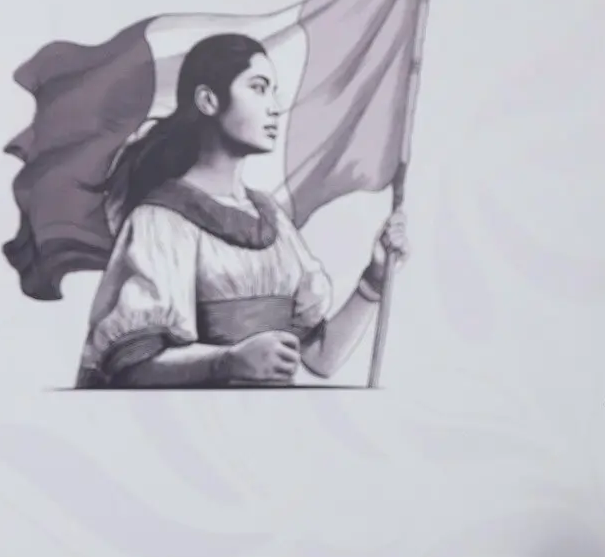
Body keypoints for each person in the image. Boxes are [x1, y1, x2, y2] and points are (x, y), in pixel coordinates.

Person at [73, 32, 408, 389]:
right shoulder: (161, 220)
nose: (275, 106)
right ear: (208, 100)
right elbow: (131, 370)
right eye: (259, 88)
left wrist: (374, 279)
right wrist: (227, 361)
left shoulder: (272, 219)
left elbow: (320, 359)